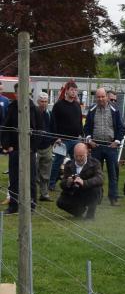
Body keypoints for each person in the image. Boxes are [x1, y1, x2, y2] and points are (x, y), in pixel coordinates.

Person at [0, 84, 42, 214]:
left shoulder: (34, 109)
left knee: (31, 179)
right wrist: (7, 146)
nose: (22, 95)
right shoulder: (11, 108)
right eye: (19, 93)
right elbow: (5, 128)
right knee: (14, 179)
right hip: (15, 149)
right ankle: (13, 205)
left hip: (29, 150)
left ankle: (31, 205)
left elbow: (40, 131)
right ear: (15, 94)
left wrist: (32, 148)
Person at [84, 88, 125, 206]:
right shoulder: (91, 110)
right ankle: (97, 197)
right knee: (96, 174)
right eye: (98, 97)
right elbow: (86, 128)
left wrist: (116, 142)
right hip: (96, 146)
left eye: (102, 96)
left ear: (106, 97)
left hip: (110, 146)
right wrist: (89, 140)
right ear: (95, 98)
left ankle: (113, 198)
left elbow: (122, 128)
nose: (101, 99)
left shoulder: (115, 110)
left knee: (113, 173)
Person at [49, 80, 84, 190]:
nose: (74, 92)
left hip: (75, 140)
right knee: (57, 162)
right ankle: (51, 184)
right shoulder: (58, 105)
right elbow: (53, 123)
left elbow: (79, 122)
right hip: (62, 141)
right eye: (72, 90)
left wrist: (81, 135)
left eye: (76, 90)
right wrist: (56, 138)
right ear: (66, 91)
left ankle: (75, 182)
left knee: (76, 163)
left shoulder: (77, 105)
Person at [56, 143, 102, 219]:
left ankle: (90, 215)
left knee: (96, 188)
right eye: (76, 156)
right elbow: (62, 183)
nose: (78, 158)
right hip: (75, 192)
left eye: (81, 156)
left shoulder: (95, 163)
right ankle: (79, 212)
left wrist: (84, 183)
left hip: (89, 192)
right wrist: (68, 182)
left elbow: (99, 179)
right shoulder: (68, 164)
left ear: (87, 153)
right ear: (73, 154)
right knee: (60, 202)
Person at [34, 92, 54, 201]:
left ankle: (44, 194)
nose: (44, 103)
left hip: (47, 147)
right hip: (35, 148)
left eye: (46, 101)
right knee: (34, 172)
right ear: (38, 102)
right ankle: (32, 194)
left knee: (46, 172)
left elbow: (53, 128)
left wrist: (53, 141)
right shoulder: (33, 113)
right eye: (42, 101)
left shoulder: (50, 114)